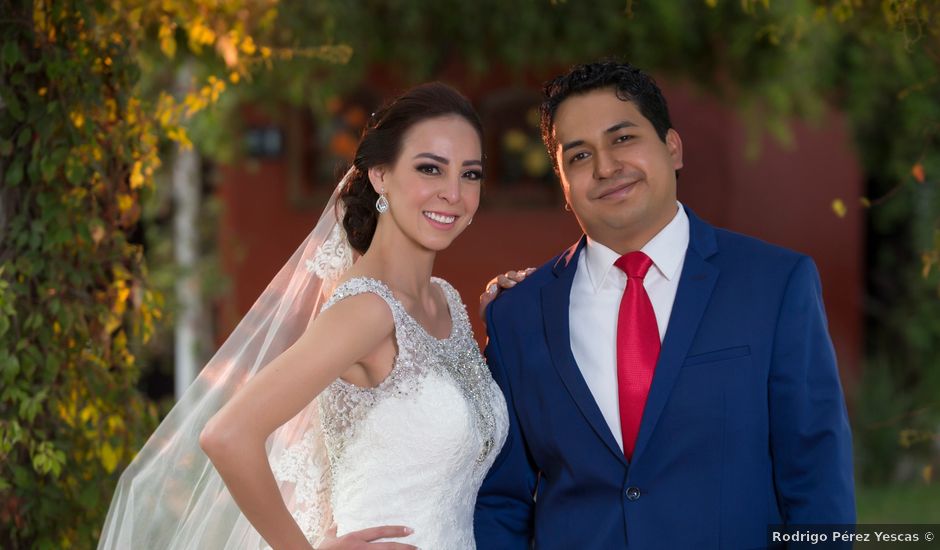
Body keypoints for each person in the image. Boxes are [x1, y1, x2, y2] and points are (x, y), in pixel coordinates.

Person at [99, 82, 508, 550]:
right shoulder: (366, 311)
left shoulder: (445, 300)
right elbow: (227, 435)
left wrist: (505, 312)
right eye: (430, 169)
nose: (453, 193)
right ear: (380, 176)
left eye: (470, 174)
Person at [474, 61, 856, 549]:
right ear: (563, 184)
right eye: (579, 156)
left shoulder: (775, 286)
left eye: (623, 138)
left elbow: (815, 477)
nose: (606, 167)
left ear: (672, 148)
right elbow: (501, 503)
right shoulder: (518, 316)